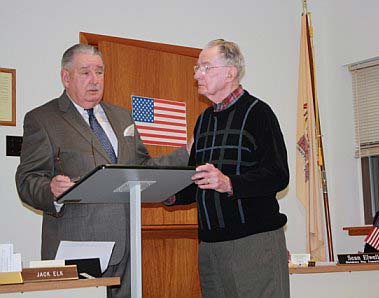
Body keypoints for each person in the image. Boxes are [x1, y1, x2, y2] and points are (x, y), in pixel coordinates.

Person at [15, 44, 190, 298]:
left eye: (99, 72)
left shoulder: (122, 117)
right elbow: (26, 180)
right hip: (76, 250)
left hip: (127, 252)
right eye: (85, 72)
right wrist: (50, 189)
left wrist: (185, 152)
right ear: (66, 77)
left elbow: (143, 170)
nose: (95, 80)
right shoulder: (43, 119)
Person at [171, 39, 290, 297]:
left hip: (253, 244)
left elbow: (278, 175)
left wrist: (229, 184)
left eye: (205, 67)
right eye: (197, 67)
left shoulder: (259, 113)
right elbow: (198, 182)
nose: (196, 74)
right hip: (210, 247)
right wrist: (168, 193)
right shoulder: (203, 120)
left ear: (230, 73)